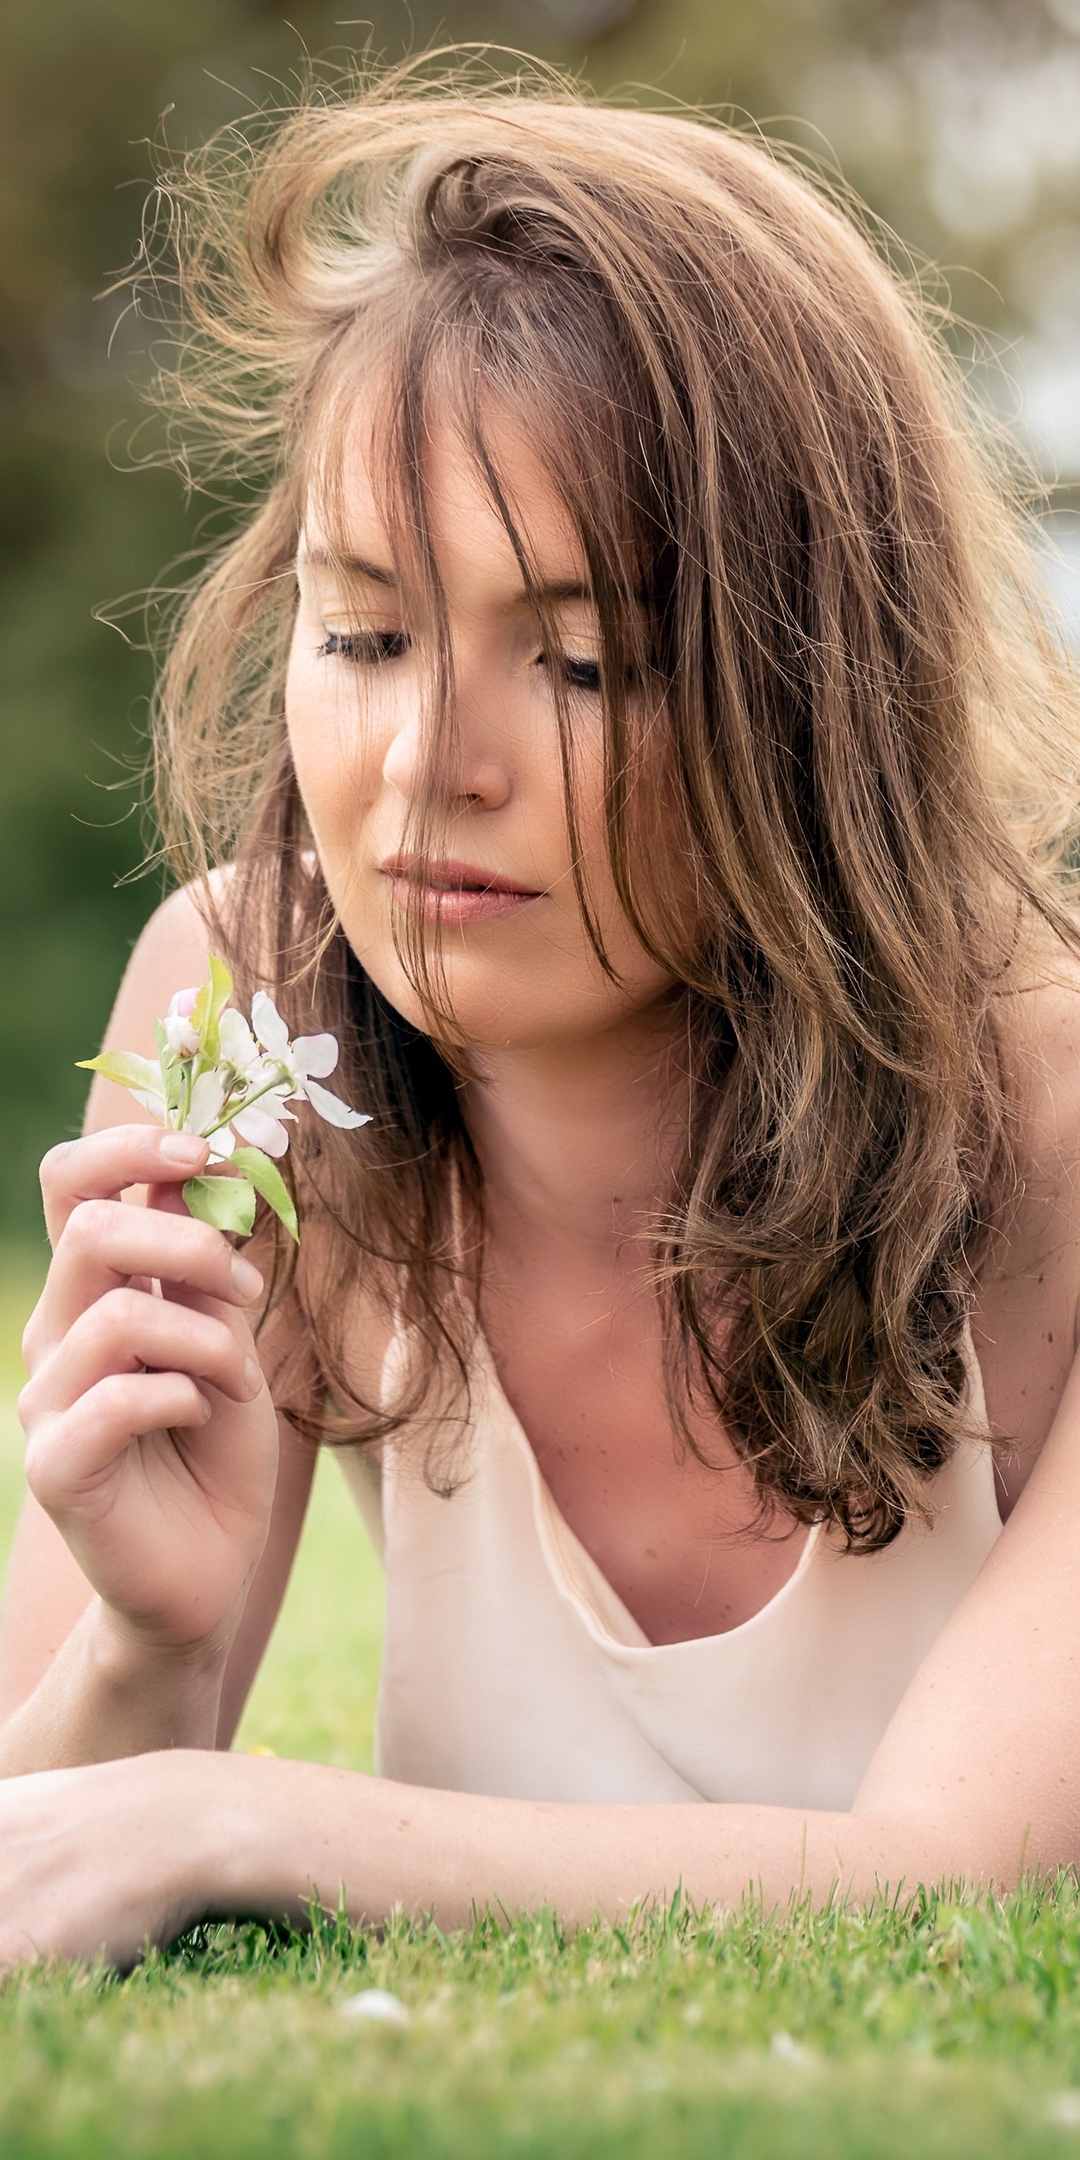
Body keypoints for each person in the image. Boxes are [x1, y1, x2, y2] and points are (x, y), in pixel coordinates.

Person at [3, 60, 1080, 1971]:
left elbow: (949, 1874)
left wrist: (248, 1815)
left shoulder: (1056, 1130)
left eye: (577, 659)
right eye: (363, 633)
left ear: (813, 689)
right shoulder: (253, 1024)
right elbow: (47, 1855)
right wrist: (147, 1660)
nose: (428, 765)